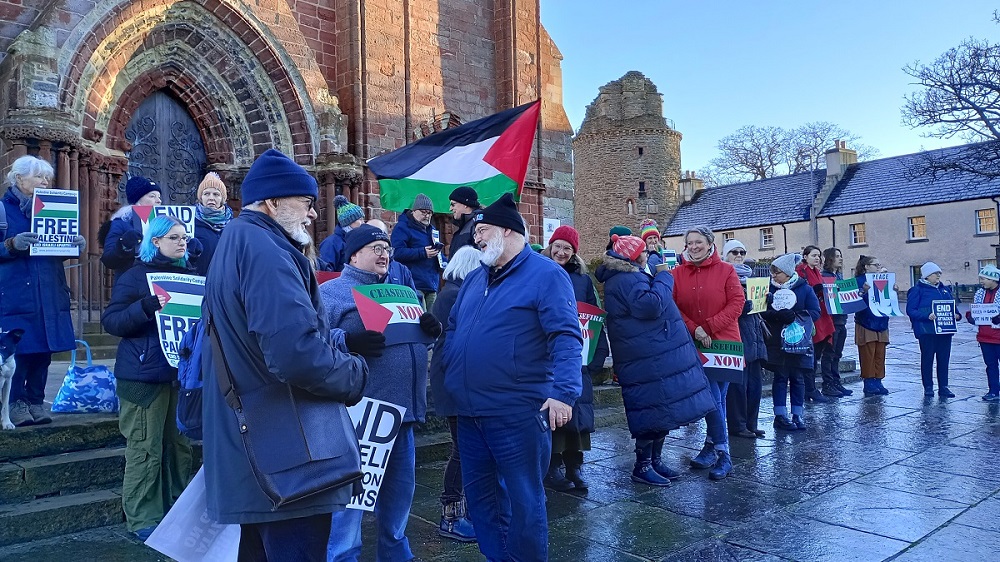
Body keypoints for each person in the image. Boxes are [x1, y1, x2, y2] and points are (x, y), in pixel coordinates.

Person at [202, 149, 367, 560]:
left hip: (263, 448)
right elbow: (295, 354)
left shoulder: (239, 239)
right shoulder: (266, 250)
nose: (312, 215)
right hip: (289, 453)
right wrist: (353, 374)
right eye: (306, 203)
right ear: (273, 202)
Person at [441, 193, 582, 562]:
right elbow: (454, 330)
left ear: (508, 231)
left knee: (524, 503)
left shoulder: (547, 275)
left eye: (483, 230)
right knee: (483, 501)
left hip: (517, 413)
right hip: (470, 415)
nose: (476, 238)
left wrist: (565, 392)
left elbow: (566, 336)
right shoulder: (474, 279)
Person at [322, 224, 441, 561]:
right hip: (361, 419)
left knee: (399, 499)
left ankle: (396, 554)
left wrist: (431, 330)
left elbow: (412, 342)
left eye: (387, 248)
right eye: (375, 247)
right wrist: (348, 341)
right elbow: (312, 340)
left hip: (401, 415)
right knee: (350, 503)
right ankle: (342, 556)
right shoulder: (332, 293)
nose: (384, 253)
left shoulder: (402, 290)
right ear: (354, 255)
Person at [594, 234, 717, 485]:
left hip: (649, 354)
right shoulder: (625, 277)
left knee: (659, 409)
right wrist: (663, 276)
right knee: (649, 411)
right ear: (635, 255)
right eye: (643, 252)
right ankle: (643, 466)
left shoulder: (627, 274)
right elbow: (649, 305)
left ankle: (655, 461)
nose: (646, 255)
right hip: (643, 357)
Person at [100, 215, 195, 540]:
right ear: (154, 242)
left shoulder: (188, 276)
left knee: (179, 448)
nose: (182, 242)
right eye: (174, 237)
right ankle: (143, 518)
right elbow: (111, 321)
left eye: (183, 237)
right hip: (142, 378)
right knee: (145, 449)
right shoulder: (135, 276)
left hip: (178, 377)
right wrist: (144, 307)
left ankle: (177, 509)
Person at [0, 155, 82, 427]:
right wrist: (11, 244)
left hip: (49, 291)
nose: (45, 182)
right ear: (19, 178)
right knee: (21, 350)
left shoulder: (54, 210)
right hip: (17, 294)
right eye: (39, 177)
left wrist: (73, 244)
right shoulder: (3, 210)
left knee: (44, 352)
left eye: (47, 177)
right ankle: (16, 403)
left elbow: (54, 251)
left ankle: (35, 401)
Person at [540, 226, 610, 492]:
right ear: (550, 246)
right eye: (557, 246)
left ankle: (575, 465)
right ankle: (552, 465)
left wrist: (596, 356)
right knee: (555, 413)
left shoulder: (582, 279)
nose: (561, 252)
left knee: (579, 415)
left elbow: (594, 317)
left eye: (567, 248)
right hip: (551, 354)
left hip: (580, 357)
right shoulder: (541, 271)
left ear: (574, 252)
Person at [672, 226, 744, 480]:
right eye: (690, 242)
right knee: (712, 398)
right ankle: (721, 452)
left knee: (716, 398)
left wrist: (709, 327)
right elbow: (674, 307)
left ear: (710, 243)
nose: (693, 246)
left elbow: (737, 303)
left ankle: (713, 448)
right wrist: (695, 329)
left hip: (724, 343)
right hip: (695, 343)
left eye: (698, 242)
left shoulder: (726, 270)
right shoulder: (677, 273)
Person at [428, 246, 482, 543]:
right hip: (454, 383)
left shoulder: (452, 292)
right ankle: (450, 516)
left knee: (467, 450)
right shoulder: (454, 295)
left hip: (456, 382)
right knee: (461, 452)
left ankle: (465, 510)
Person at [763, 253, 821, 431]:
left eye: (777, 272)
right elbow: (762, 312)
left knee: (797, 377)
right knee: (780, 377)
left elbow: (815, 312)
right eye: (772, 272)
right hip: (777, 342)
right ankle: (780, 416)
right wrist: (776, 315)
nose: (774, 276)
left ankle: (798, 415)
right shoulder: (769, 289)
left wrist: (795, 317)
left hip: (798, 341)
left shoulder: (804, 288)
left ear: (787, 273)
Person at [722, 240, 767, 438]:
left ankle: (751, 422)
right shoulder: (724, 278)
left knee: (755, 387)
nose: (739, 255)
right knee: (738, 388)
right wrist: (742, 309)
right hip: (737, 337)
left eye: (742, 251)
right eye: (734, 252)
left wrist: (767, 302)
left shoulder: (751, 277)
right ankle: (738, 425)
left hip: (755, 337)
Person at [907, 261, 962, 398]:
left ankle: (943, 387)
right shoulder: (917, 290)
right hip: (927, 331)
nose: (938, 276)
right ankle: (928, 387)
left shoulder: (944, 290)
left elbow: (953, 308)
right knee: (927, 359)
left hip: (944, 331)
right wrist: (926, 316)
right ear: (927, 276)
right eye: (935, 273)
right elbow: (911, 310)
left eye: (939, 273)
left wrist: (957, 315)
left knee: (944, 359)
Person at [101, 176, 163, 279]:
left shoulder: (167, 224)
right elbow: (108, 259)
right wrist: (124, 245)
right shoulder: (121, 223)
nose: (158, 201)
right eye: (152, 196)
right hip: (133, 285)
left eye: (159, 197)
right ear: (138, 200)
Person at [795, 245, 834, 404]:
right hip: (811, 316)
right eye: (813, 255)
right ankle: (809, 388)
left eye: (819, 256)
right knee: (811, 355)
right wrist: (815, 289)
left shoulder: (816, 271)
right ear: (805, 256)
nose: (817, 258)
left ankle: (809, 388)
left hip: (822, 314)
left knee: (816, 354)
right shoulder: (801, 271)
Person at [391, 193, 443, 310]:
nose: (427, 215)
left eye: (429, 213)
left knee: (431, 321)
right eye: (423, 212)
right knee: (420, 321)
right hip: (413, 284)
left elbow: (437, 254)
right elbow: (397, 253)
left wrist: (445, 263)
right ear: (414, 211)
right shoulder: (402, 228)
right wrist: (422, 253)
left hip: (432, 284)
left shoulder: (433, 230)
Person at [854, 255, 892, 396]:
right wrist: (863, 291)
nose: (878, 267)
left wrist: (892, 289)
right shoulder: (859, 281)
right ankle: (868, 381)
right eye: (875, 265)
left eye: (879, 264)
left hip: (881, 320)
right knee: (868, 353)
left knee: (880, 353)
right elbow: (854, 302)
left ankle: (878, 379)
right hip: (866, 321)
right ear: (866, 267)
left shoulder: (883, 280)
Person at [819, 247, 852, 397]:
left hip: (841, 319)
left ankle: (836, 381)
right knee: (829, 353)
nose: (840, 259)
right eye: (837, 256)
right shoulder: (825, 276)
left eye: (841, 256)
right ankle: (828, 384)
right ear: (830, 259)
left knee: (837, 353)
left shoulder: (838, 276)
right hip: (832, 320)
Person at [965, 265, 1000, 402]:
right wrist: (970, 317)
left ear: (993, 279)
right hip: (985, 337)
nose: (981, 281)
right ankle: (993, 391)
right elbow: (975, 309)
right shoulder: (980, 293)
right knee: (990, 365)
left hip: (998, 336)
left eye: (984, 278)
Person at [192, 172, 233, 276]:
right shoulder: (190, 223)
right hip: (198, 280)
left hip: (225, 282)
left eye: (216, 194)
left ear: (222, 199)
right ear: (201, 197)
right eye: (206, 194)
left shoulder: (233, 225)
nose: (211, 198)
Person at [318, 194, 365, 272]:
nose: (363, 223)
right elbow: (325, 271)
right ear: (348, 222)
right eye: (360, 219)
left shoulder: (357, 241)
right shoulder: (331, 243)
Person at [446, 186, 481, 257]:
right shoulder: (465, 225)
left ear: (465, 205)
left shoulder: (478, 224)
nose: (450, 209)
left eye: (453, 204)